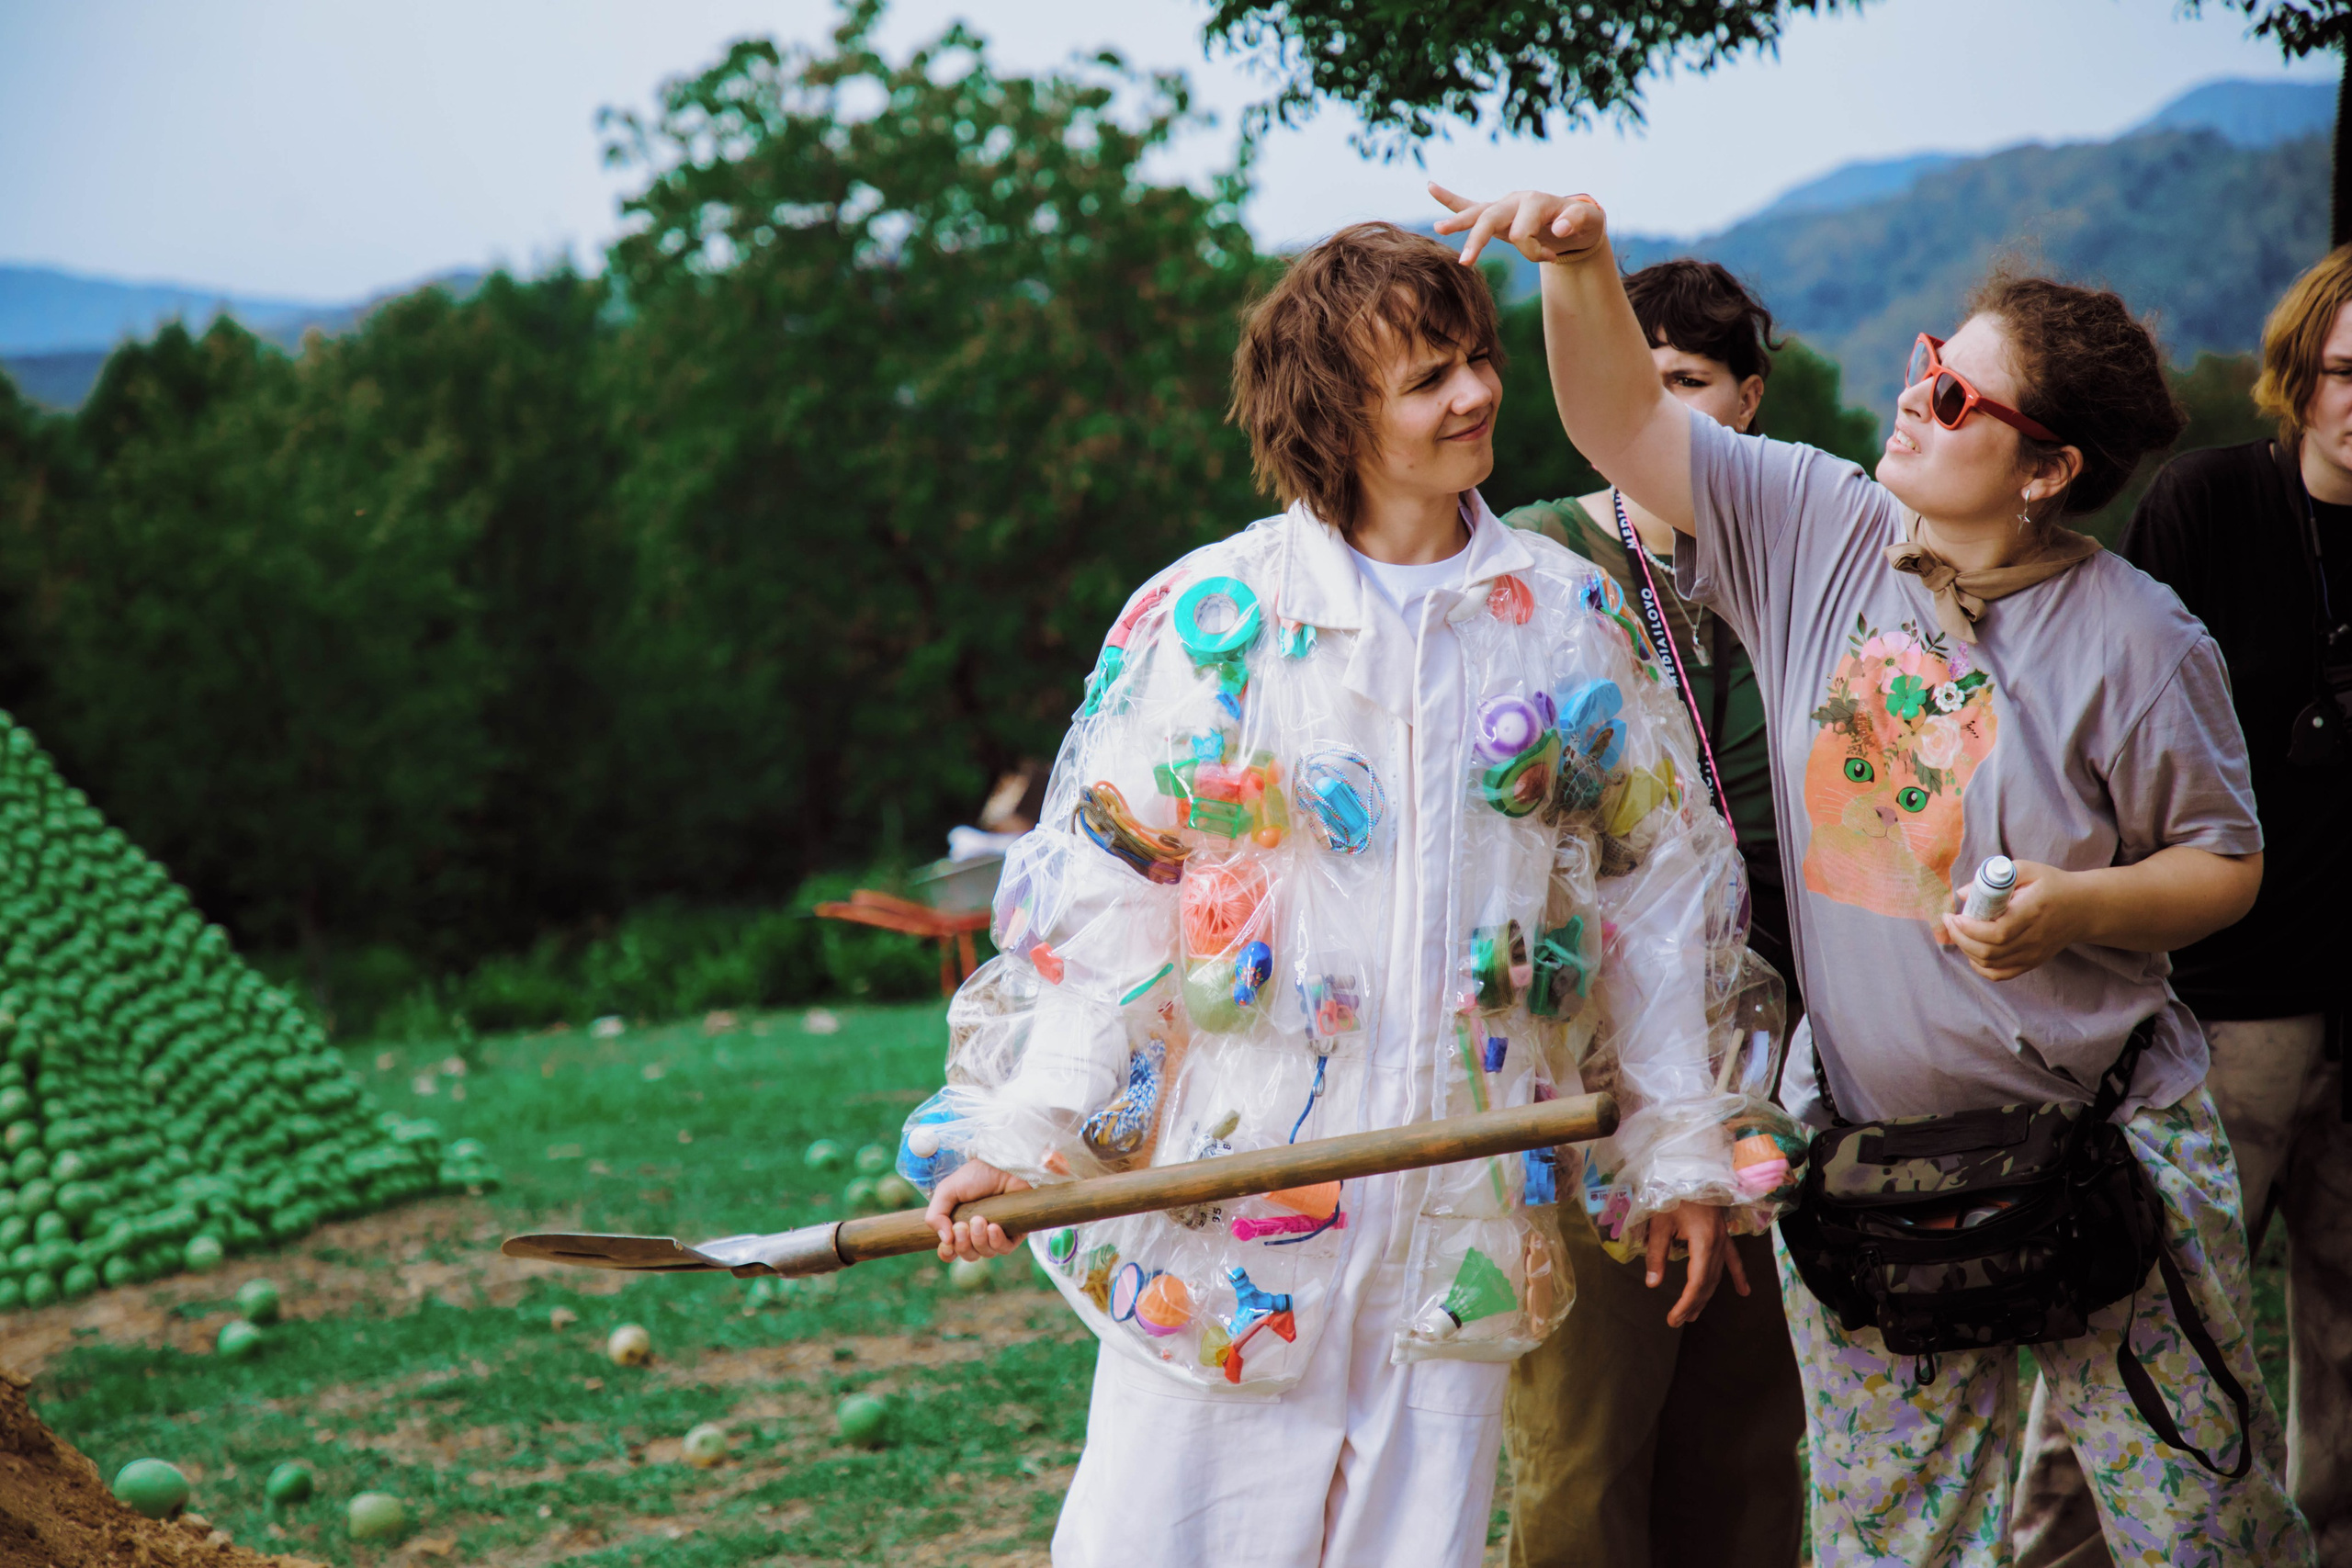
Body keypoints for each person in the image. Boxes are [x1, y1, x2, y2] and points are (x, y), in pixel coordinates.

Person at [1433, 183, 2312, 1566]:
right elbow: (1623, 425)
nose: (1917, 398)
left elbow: (2223, 863)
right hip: (1874, 1171)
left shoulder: (2145, 640)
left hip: (2110, 1150)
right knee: (1890, 1544)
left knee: (2195, 1521)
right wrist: (1582, 264)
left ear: (2048, 471)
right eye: (1926, 362)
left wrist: (2077, 909)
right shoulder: (1821, 532)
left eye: (1959, 400)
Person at [899, 221, 1796, 1567]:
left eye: (1477, 359)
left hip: (1455, 1243)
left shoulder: (1565, 623)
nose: (1479, 395)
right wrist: (1025, 1130)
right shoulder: (1219, 623)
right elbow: (1105, 914)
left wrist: (1676, 1141)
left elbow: (1656, 907)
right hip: (1223, 1239)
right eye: (1429, 378)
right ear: (1334, 415)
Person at [2011, 243, 2352, 1568]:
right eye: (2344, 374)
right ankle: (2063, 1554)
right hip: (2228, 1002)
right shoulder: (2207, 506)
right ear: (2298, 378)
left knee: (2345, 1340)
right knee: (2149, 1325)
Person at [1498, 258, 1806, 1568]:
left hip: (1784, 1044)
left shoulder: (1810, 547)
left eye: (1685, 383)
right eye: (1638, 384)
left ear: (1746, 400)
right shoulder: (1536, 561)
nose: (1659, 412)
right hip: (1596, 1050)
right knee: (1585, 1435)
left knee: (1746, 1430)